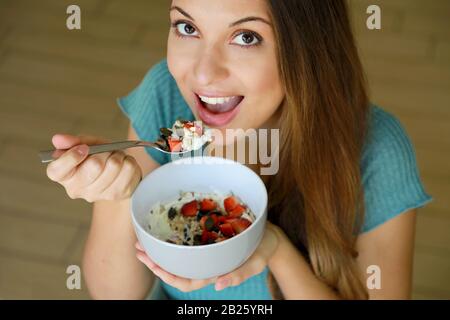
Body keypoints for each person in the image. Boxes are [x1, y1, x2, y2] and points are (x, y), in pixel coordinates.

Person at [46, 0, 432, 299]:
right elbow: (113, 294)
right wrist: (117, 192)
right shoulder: (166, 95)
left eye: (246, 37)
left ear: (310, 51)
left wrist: (277, 252)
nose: (202, 74)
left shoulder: (378, 150)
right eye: (187, 27)